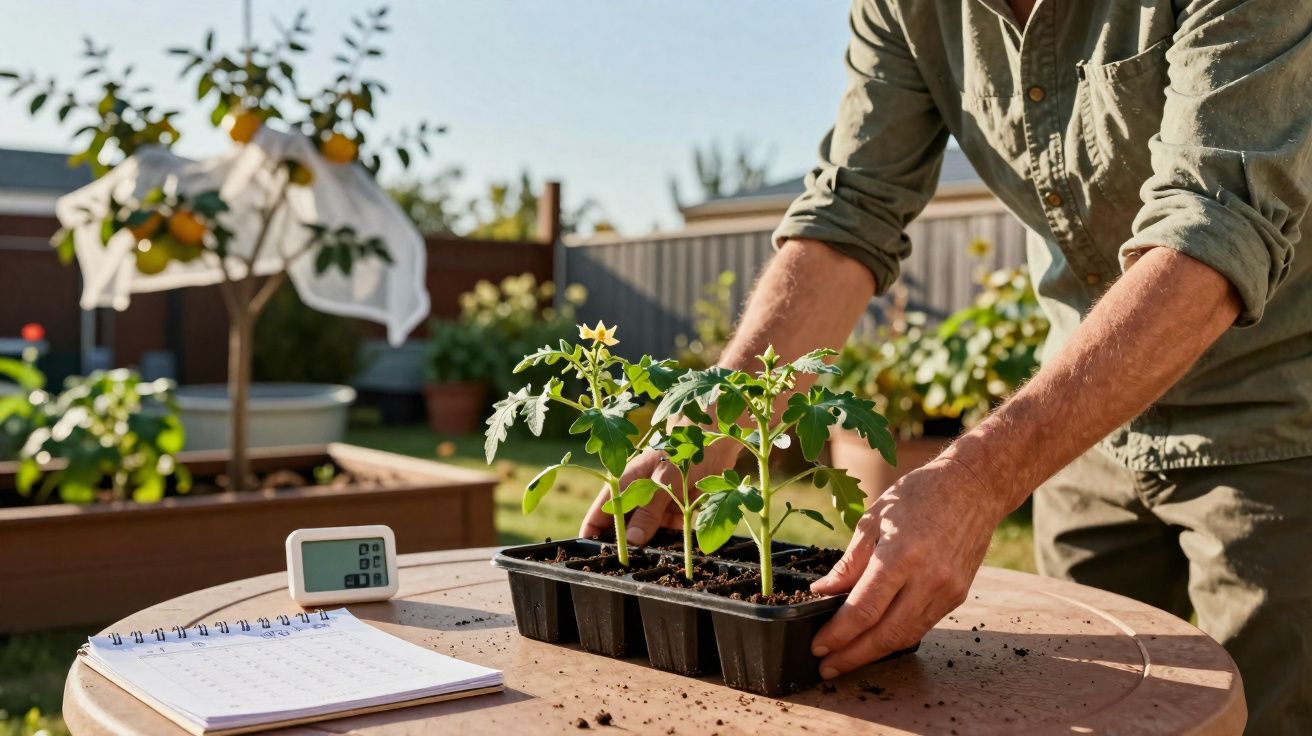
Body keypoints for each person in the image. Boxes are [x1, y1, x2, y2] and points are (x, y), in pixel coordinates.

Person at [581, 0, 1312, 731]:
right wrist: (722, 409)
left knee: (1267, 712)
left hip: (1281, 411)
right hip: (1085, 430)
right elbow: (850, 213)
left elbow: (1214, 225)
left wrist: (979, 478)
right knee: (1071, 711)